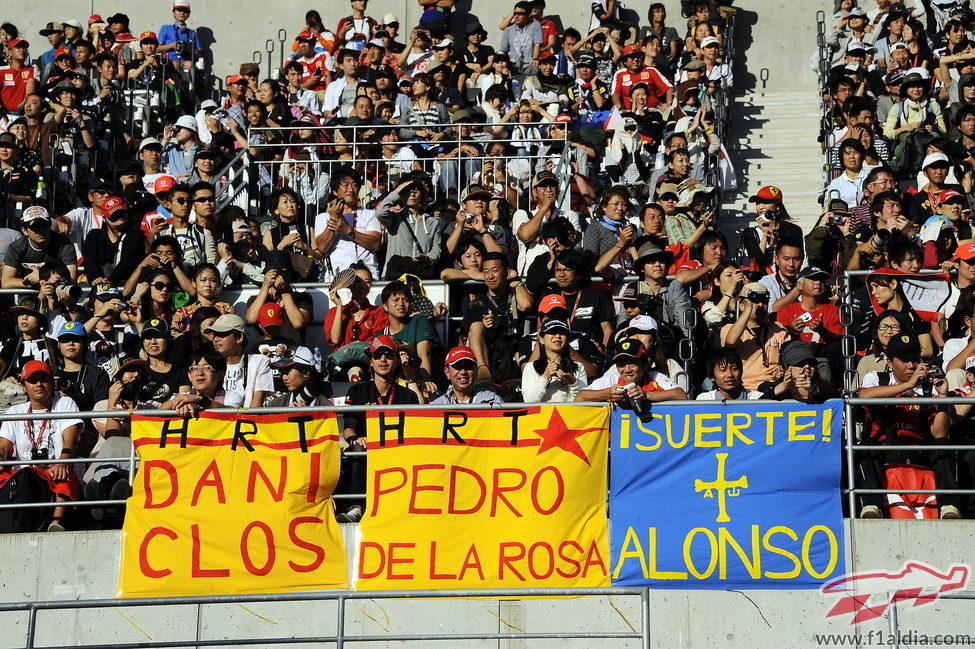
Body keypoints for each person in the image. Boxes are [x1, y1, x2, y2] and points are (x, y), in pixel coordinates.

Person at [856, 334, 959, 519]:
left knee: (944, 444)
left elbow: (939, 433)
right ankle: (872, 506)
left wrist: (943, 397)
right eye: (904, 360)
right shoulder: (877, 378)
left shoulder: (930, 387)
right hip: (884, 451)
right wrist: (907, 386)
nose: (911, 365)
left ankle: (949, 506)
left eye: (914, 359)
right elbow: (863, 396)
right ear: (889, 362)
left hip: (921, 453)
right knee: (865, 443)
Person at [339, 335, 424, 523]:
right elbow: (348, 429)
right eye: (378, 355)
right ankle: (356, 507)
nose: (383, 360)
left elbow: (415, 431)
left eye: (388, 355)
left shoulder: (408, 395)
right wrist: (355, 440)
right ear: (371, 361)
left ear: (396, 361)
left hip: (397, 450)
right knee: (357, 449)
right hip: (367, 449)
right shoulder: (357, 391)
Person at [0, 360, 83, 532]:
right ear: (23, 387)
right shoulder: (14, 411)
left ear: (52, 383)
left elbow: (71, 440)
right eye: (32, 380)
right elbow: (3, 447)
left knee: (63, 474)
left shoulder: (64, 404)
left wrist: (62, 462)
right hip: (24, 471)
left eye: (44, 379)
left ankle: (57, 522)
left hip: (55, 467)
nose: (39, 384)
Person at [314, 167, 383, 282]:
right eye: (345, 185)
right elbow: (322, 247)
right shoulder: (322, 218)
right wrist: (334, 218)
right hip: (336, 278)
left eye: (354, 185)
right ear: (335, 191)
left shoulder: (370, 214)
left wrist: (347, 231)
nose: (350, 189)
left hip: (368, 278)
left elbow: (376, 243)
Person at [721, 282, 791, 391]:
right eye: (755, 301)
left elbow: (789, 356)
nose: (761, 304)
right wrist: (748, 308)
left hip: (774, 387)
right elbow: (730, 342)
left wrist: (783, 370)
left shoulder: (778, 328)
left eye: (764, 301)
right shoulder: (729, 328)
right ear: (742, 306)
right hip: (745, 388)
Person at [576, 338, 688, 403]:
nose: (627, 370)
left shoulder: (655, 377)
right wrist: (608, 393)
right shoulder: (611, 380)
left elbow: (681, 395)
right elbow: (579, 398)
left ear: (644, 365)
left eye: (632, 363)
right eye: (622, 365)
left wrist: (646, 395)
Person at [205, 313, 273, 408]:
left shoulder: (259, 362)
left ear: (239, 338)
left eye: (222, 334)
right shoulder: (207, 363)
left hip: (245, 420)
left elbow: (257, 403)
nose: (216, 339)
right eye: (215, 335)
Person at [2, 206, 77, 289]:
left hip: (57, 290)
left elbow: (72, 279)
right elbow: (6, 282)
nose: (41, 230)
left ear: (50, 225)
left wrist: (42, 278)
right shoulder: (16, 247)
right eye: (35, 227)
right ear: (24, 231)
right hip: (27, 292)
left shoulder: (64, 244)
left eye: (44, 225)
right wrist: (33, 283)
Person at [520, 318, 588, 402]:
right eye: (552, 332)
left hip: (570, 414)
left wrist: (573, 382)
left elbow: (584, 401)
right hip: (543, 414)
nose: (558, 336)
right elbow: (529, 400)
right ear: (541, 339)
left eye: (562, 333)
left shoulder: (578, 367)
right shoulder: (530, 367)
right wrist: (545, 376)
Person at [760, 341, 840, 403]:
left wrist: (814, 390)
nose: (807, 367)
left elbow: (837, 401)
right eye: (801, 364)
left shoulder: (824, 386)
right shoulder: (772, 387)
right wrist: (781, 388)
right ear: (787, 367)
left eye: (811, 363)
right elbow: (756, 408)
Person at [432, 346, 504, 404]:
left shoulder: (492, 401)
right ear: (447, 372)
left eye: (468, 366)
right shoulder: (437, 406)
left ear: (476, 371)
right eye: (458, 367)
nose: (463, 372)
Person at [696, 348, 765, 400]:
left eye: (734, 369)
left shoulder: (757, 399)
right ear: (712, 376)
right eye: (723, 370)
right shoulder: (705, 400)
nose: (730, 375)